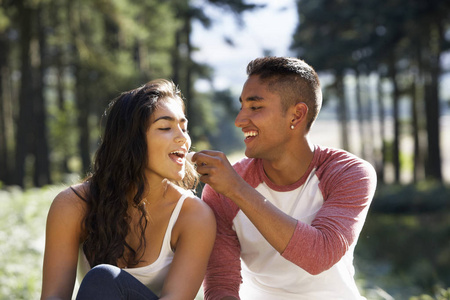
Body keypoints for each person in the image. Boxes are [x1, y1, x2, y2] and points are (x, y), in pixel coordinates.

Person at [191, 57, 377, 300]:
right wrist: (232, 187)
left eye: (255, 107)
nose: (239, 120)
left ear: (296, 116)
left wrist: (237, 188)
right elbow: (221, 284)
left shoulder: (349, 173)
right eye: (242, 107)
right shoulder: (221, 190)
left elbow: (319, 255)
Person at [41, 79, 216, 300]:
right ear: (130, 140)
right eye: (165, 127)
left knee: (103, 278)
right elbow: (53, 296)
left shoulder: (194, 215)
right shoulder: (73, 205)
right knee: (103, 279)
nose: (183, 138)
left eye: (184, 127)